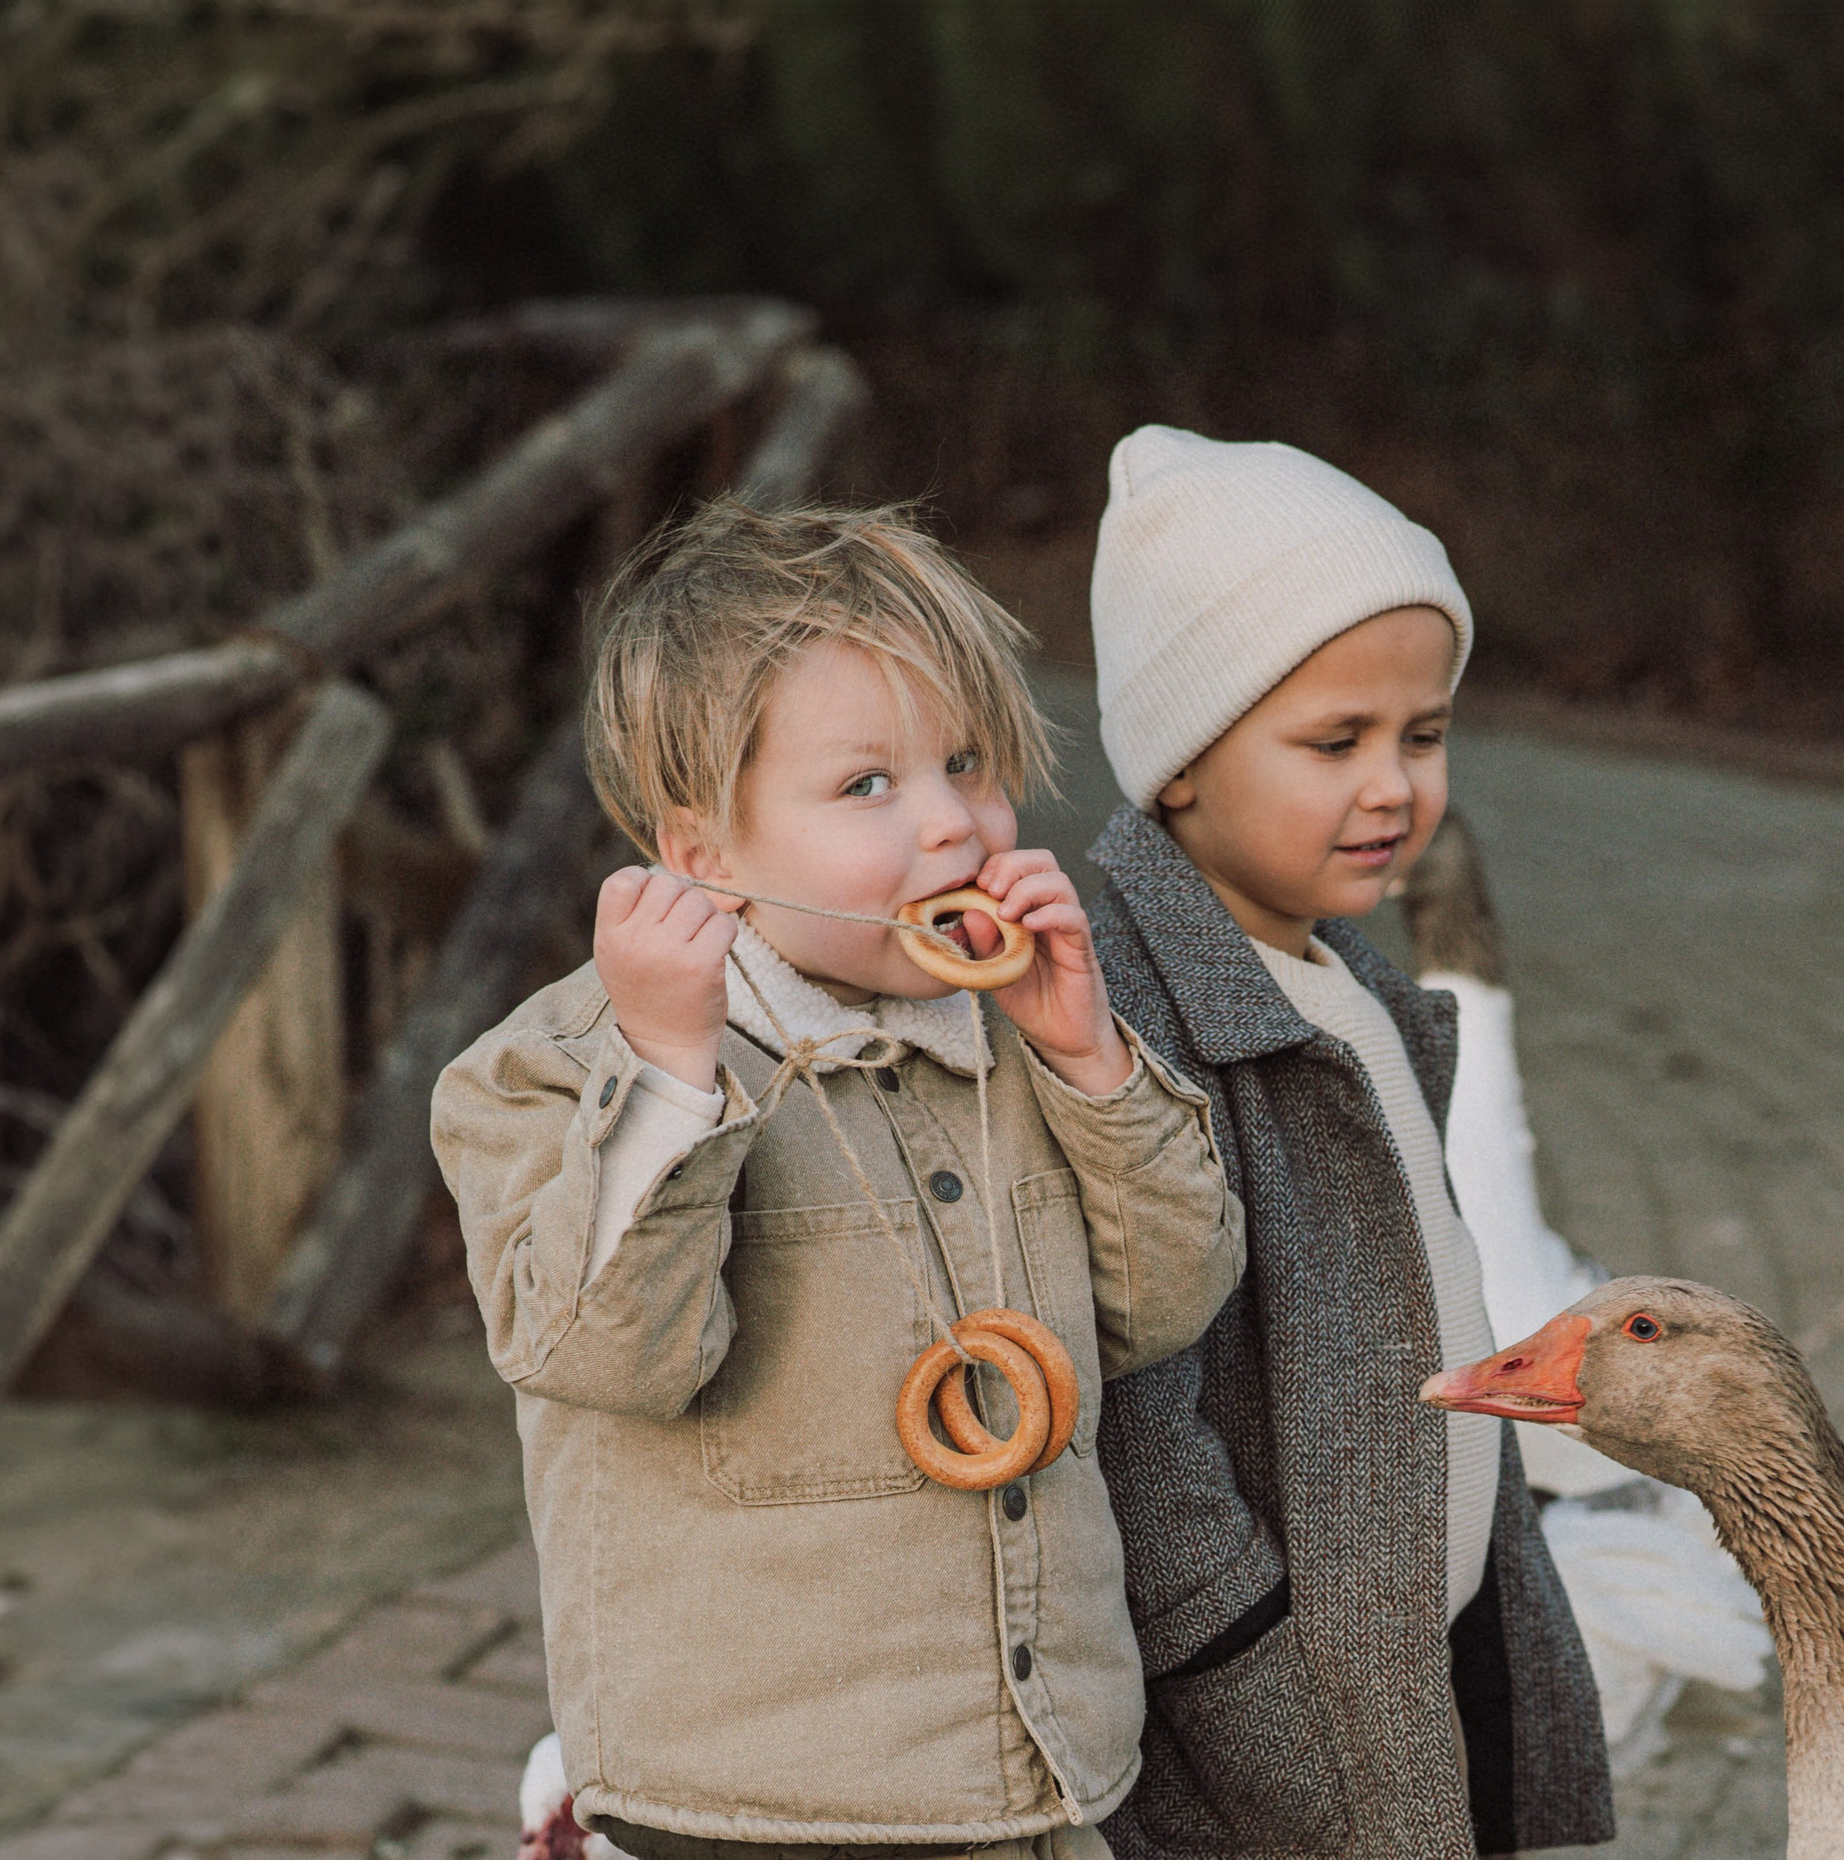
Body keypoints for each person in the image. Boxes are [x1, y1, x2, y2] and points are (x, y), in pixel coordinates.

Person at [432, 499, 1245, 1860]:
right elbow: (603, 1349)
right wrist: (671, 1071)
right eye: (867, 786)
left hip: (1042, 1774)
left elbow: (1166, 1304)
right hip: (756, 1801)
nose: (951, 827)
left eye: (968, 762)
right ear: (699, 853)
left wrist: (1093, 1064)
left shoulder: (1019, 1040)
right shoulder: (553, 1072)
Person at [1079, 428, 1616, 1859]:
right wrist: (1256, 1693)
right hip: (1263, 1742)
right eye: (1336, 743)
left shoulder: (1352, 985)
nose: (1395, 788)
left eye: (1423, 736)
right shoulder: (1127, 1018)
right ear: (1182, 762)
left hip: (1405, 1659)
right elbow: (1141, 1426)